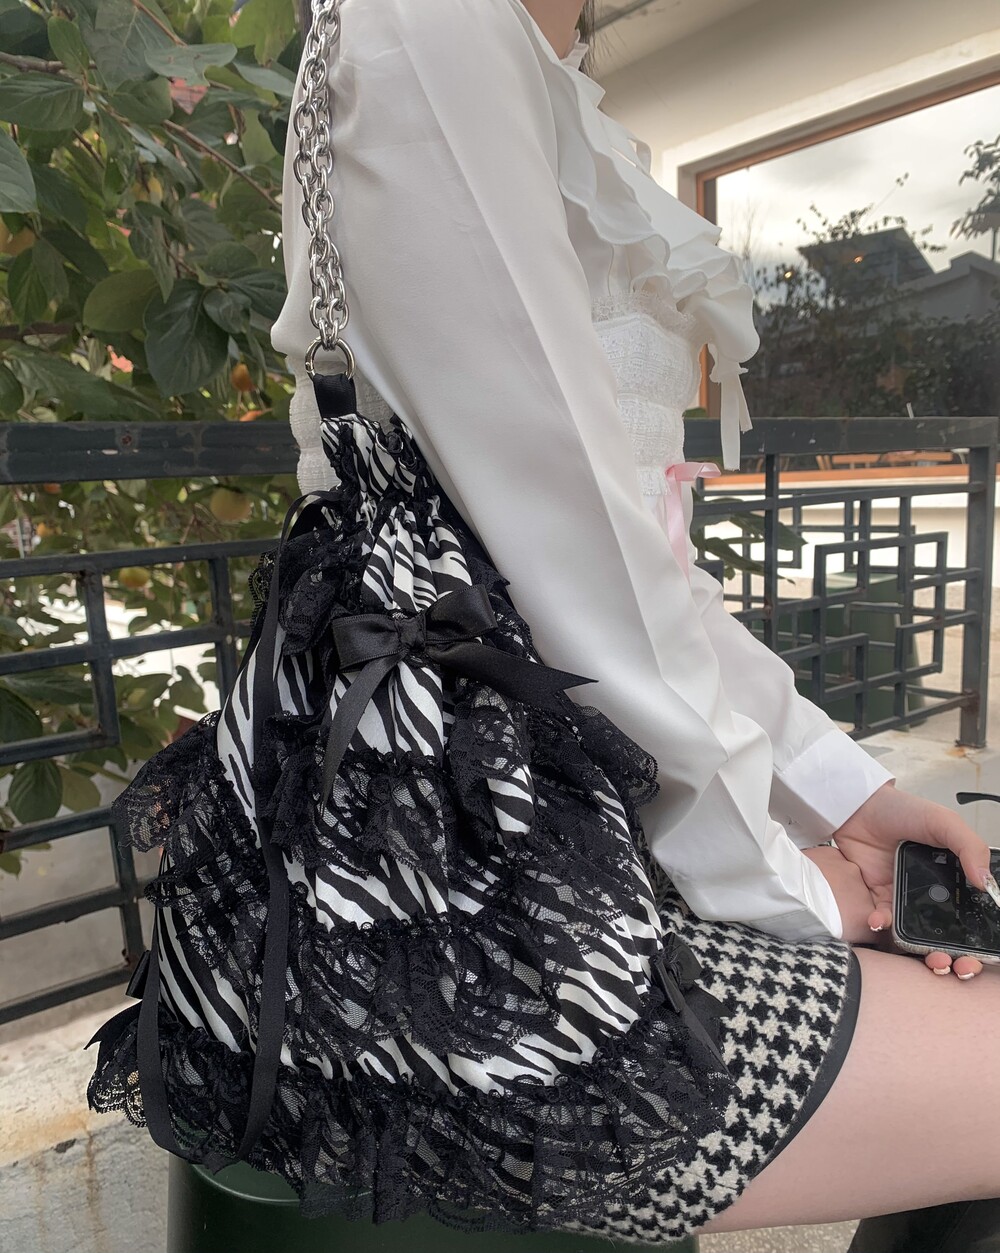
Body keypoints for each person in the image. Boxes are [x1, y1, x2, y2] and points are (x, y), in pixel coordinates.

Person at [270, 0, 1000, 1245]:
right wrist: (790, 891)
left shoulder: (534, 70)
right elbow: (570, 573)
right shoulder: (433, 28)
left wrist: (847, 797)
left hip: (570, 840)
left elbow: (644, 575)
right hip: (466, 903)